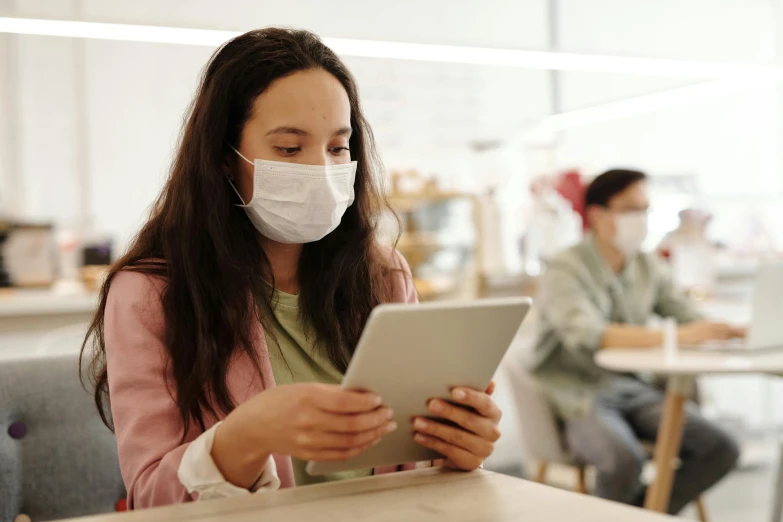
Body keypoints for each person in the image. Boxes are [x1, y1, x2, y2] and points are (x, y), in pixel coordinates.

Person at [80, 28, 502, 509]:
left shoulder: (382, 274)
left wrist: (454, 447)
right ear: (222, 157)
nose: (321, 171)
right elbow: (151, 499)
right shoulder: (150, 293)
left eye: (338, 148)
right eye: (288, 148)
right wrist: (246, 435)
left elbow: (407, 461)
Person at [528, 169, 741, 514]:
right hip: (580, 393)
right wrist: (674, 336)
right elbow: (589, 335)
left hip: (635, 388)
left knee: (721, 448)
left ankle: (641, 515)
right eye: (631, 209)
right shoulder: (565, 269)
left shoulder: (648, 266)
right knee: (621, 459)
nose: (640, 218)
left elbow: (688, 315)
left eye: (645, 209)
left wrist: (738, 330)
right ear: (597, 214)